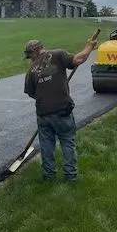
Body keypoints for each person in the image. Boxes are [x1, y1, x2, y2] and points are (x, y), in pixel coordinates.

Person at [23, 37, 97, 182]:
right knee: (67, 141)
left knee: (46, 144)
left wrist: (45, 94)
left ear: (36, 50)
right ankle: (71, 175)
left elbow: (32, 93)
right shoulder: (58, 55)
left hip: (43, 113)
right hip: (62, 110)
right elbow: (78, 59)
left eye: (30, 55)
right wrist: (89, 47)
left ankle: (49, 175)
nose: (30, 59)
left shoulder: (31, 70)